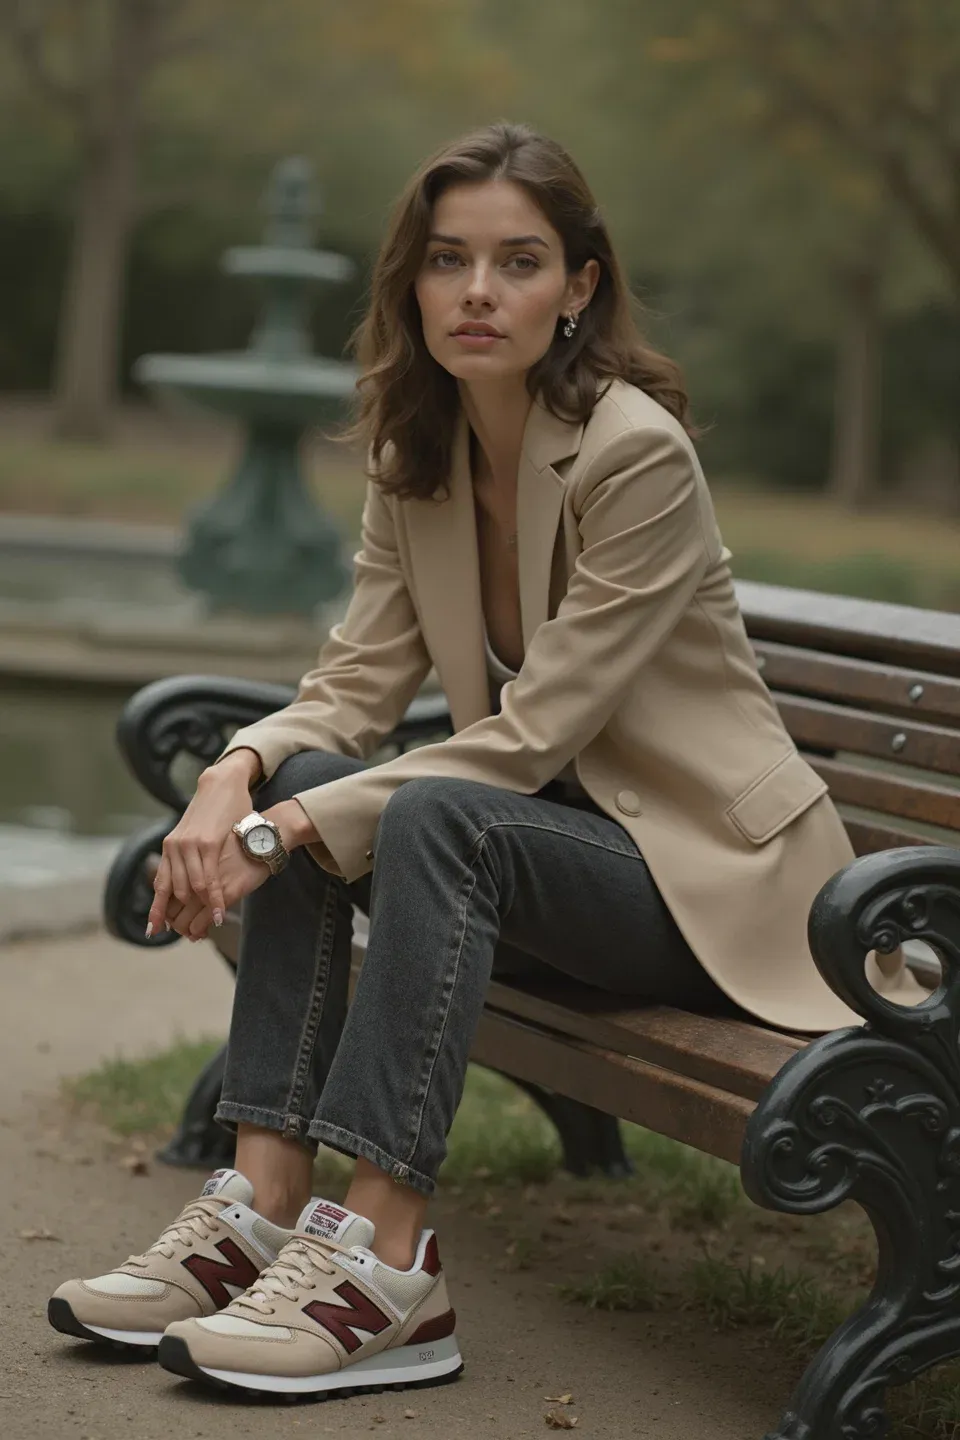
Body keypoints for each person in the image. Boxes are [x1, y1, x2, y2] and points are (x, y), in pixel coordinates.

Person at [48, 120, 902, 1402]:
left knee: (430, 808)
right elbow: (352, 684)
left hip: (712, 891)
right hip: (551, 860)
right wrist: (235, 779)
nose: (480, 293)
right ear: (413, 281)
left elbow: (534, 735)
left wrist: (279, 837)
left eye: (519, 261)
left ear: (580, 288)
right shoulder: (420, 450)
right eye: (450, 260)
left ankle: (389, 1269)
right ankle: (260, 1209)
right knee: (310, 778)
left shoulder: (635, 455)